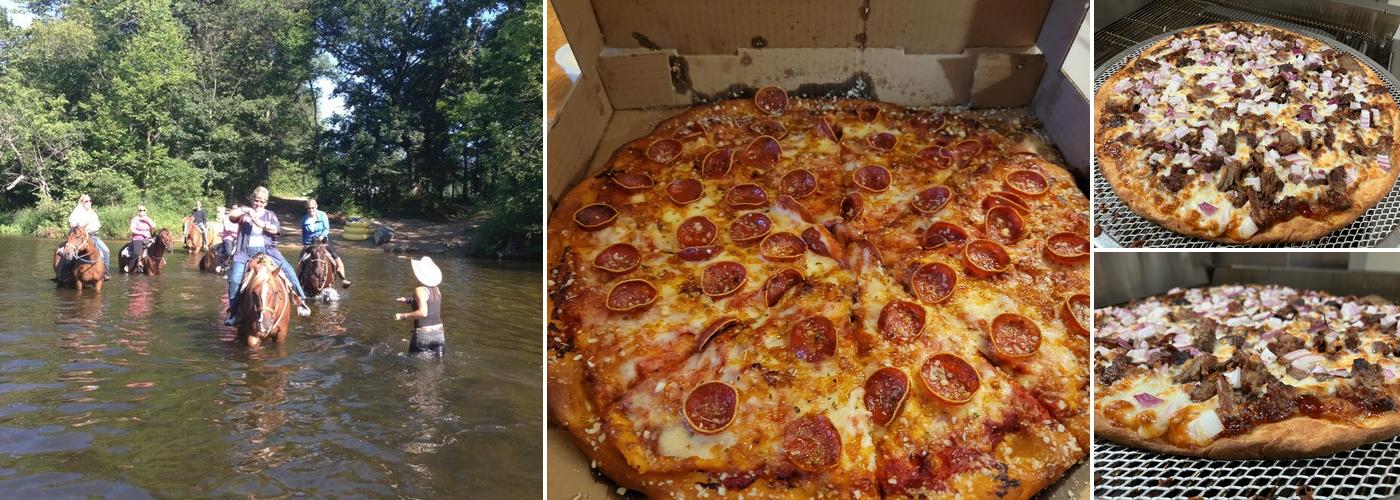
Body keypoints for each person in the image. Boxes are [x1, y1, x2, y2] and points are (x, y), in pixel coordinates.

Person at [223, 186, 311, 326]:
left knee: (289, 271)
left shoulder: (270, 215)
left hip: (267, 250)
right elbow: (231, 215)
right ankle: (233, 313)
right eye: (256, 200)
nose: (258, 204)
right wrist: (246, 209)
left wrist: (262, 224)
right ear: (252, 200)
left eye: (261, 202)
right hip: (244, 253)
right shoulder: (244, 214)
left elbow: (277, 230)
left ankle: (301, 301)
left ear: (266, 203)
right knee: (234, 280)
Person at [394, 256, 444, 358]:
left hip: (424, 335)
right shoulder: (437, 289)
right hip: (439, 335)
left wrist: (403, 316)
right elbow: (430, 304)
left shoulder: (420, 289)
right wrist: (407, 300)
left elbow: (423, 312)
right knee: (438, 366)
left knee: (413, 366)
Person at [299, 199, 351, 288]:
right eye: (309, 208)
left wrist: (322, 236)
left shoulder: (322, 215)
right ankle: (297, 284)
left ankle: (343, 280)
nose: (311, 210)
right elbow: (304, 234)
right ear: (307, 209)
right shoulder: (304, 219)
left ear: (316, 207)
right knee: (299, 264)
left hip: (323, 243)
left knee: (338, 261)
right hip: (310, 244)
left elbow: (326, 229)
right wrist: (305, 246)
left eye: (313, 208)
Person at [66, 194, 110, 280]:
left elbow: (97, 226)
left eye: (90, 201)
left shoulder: (93, 213)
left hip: (91, 236)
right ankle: (65, 274)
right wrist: (79, 227)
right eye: (86, 201)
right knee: (68, 252)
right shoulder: (76, 212)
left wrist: (89, 230)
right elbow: (72, 224)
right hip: (77, 236)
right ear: (81, 202)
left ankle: (105, 273)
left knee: (106, 251)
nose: (89, 203)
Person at [127, 206, 155, 273]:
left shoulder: (148, 219)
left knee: (158, 248)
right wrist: (142, 233)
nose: (142, 211)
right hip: (137, 238)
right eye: (140, 210)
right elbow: (132, 229)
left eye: (144, 210)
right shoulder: (135, 219)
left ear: (146, 211)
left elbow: (154, 226)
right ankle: (129, 266)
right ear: (138, 211)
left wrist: (146, 220)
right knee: (136, 253)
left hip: (148, 238)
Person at [215, 206, 238, 273]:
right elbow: (228, 228)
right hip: (228, 237)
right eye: (234, 210)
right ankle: (221, 265)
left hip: (238, 238)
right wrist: (237, 232)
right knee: (229, 252)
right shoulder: (226, 217)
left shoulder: (240, 219)